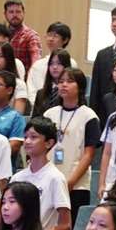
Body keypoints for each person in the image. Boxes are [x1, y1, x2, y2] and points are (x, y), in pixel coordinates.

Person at [45, 67, 102, 214]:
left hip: (77, 185)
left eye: (70, 81)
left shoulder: (89, 116)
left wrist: (70, 182)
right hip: (49, 181)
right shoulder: (50, 114)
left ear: (81, 87)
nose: (64, 85)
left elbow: (89, 155)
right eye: (61, 81)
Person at [11, 117, 73, 230]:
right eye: (26, 136)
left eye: (33, 137)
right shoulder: (17, 178)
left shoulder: (55, 178)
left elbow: (65, 225)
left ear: (49, 143)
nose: (27, 141)